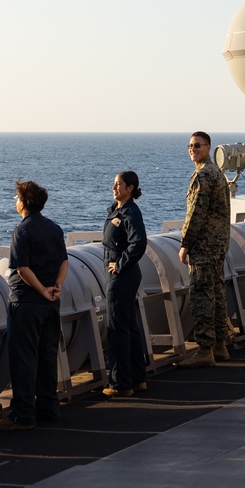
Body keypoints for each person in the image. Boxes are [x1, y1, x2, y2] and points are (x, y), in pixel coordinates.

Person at [0, 179, 68, 431]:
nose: (15, 203)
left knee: (24, 359)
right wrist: (55, 287)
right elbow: (64, 262)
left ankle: (23, 414)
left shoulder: (22, 231)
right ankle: (49, 407)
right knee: (47, 355)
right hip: (51, 303)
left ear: (24, 203)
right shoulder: (54, 228)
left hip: (26, 303)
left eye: (16, 198)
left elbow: (22, 268)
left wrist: (40, 290)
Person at [177, 131, 232, 367]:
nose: (193, 149)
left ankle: (204, 350)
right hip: (218, 244)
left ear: (208, 147)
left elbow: (196, 214)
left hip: (204, 246)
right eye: (190, 145)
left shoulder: (203, 175)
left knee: (202, 297)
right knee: (217, 294)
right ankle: (220, 345)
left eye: (197, 145)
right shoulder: (217, 173)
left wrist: (185, 244)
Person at [101, 170, 148, 398]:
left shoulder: (130, 212)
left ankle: (120, 384)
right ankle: (137, 379)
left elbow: (138, 242)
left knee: (117, 328)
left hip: (122, 276)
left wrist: (119, 265)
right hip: (124, 274)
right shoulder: (117, 210)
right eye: (114, 183)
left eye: (118, 184)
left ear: (130, 188)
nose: (114, 187)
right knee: (129, 327)